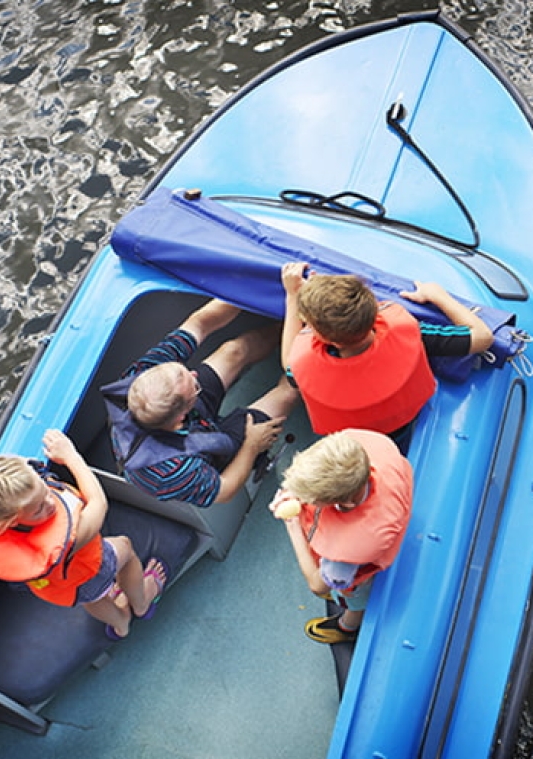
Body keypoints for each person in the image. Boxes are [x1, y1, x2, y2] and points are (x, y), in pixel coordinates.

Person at [0, 429, 165, 640]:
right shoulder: (68, 539)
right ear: (11, 520)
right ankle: (141, 604)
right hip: (92, 568)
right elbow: (98, 503)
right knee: (126, 548)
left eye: (46, 489)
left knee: (92, 599)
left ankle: (121, 624)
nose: (50, 503)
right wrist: (71, 456)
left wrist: (36, 495)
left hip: (62, 588)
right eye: (39, 509)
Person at [102, 298, 299, 506]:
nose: (195, 374)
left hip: (187, 415)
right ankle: (306, 358)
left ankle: (289, 329)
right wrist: (251, 446)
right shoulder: (169, 472)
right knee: (288, 394)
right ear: (180, 419)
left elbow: (199, 322)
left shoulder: (144, 376)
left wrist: (246, 288)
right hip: (208, 451)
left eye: (187, 372)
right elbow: (224, 490)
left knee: (233, 350)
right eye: (195, 385)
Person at [279, 264, 493, 449]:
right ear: (374, 309)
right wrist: (437, 295)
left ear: (325, 338)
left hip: (357, 445)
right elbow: (483, 337)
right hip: (406, 424)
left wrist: (292, 296)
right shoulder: (410, 333)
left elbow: (290, 360)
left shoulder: (303, 369)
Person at [268, 429, 412, 644]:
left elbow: (318, 585)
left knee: (353, 599)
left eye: (310, 499)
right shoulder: (364, 450)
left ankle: (347, 627)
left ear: (344, 503)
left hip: (355, 576)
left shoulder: (347, 552)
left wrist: (293, 525)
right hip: (392, 529)